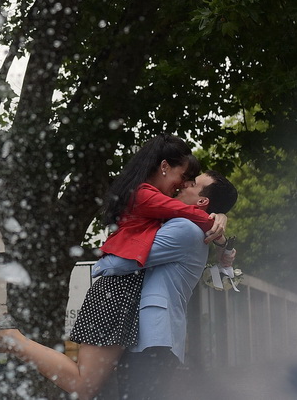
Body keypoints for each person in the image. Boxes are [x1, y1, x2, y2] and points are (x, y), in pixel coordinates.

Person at [0, 135, 228, 400]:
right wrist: (215, 225)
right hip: (115, 294)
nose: (184, 184)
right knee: (86, 386)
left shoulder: (158, 208)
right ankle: (14, 340)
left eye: (191, 183)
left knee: (98, 388)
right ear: (165, 166)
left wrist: (220, 227)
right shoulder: (146, 196)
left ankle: (14, 341)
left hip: (122, 298)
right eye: (185, 175)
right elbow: (139, 248)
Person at [95, 169, 238, 400]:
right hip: (155, 337)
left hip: (153, 336)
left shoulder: (185, 229)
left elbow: (122, 263)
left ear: (202, 201)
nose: (184, 183)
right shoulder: (188, 225)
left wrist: (98, 264)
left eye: (192, 183)